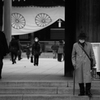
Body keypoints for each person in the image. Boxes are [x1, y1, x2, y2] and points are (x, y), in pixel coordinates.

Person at [71, 32, 96, 97]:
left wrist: (94, 62)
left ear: (85, 39)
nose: (81, 40)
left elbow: (92, 54)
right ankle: (81, 91)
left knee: (88, 77)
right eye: (80, 39)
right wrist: (74, 63)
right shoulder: (75, 45)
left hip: (87, 63)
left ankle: (88, 91)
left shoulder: (89, 45)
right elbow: (73, 55)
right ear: (78, 39)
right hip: (78, 64)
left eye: (83, 39)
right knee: (80, 77)